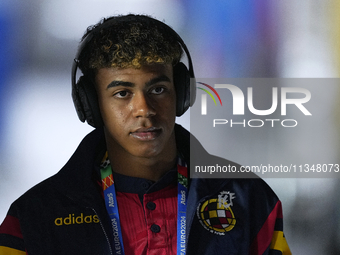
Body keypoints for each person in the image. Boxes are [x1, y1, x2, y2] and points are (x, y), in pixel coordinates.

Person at [0, 14, 291, 255]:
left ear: (181, 93)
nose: (144, 109)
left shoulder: (249, 200)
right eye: (122, 93)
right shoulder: (33, 219)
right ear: (90, 103)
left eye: (158, 90)